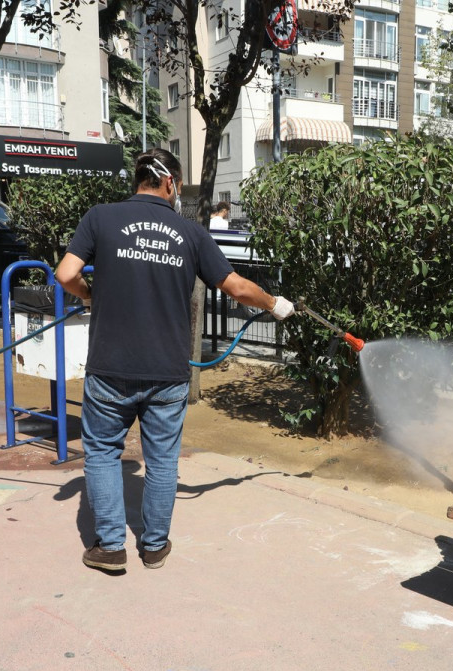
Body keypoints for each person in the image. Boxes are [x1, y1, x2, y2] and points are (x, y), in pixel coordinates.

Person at [55, 148, 295, 573]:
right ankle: (154, 547)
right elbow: (235, 286)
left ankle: (110, 547)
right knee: (163, 460)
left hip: (110, 366)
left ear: (139, 179)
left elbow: (65, 274)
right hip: (167, 371)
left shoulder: (100, 217)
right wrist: (274, 303)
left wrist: (90, 296)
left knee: (103, 453)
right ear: (170, 183)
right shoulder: (190, 232)